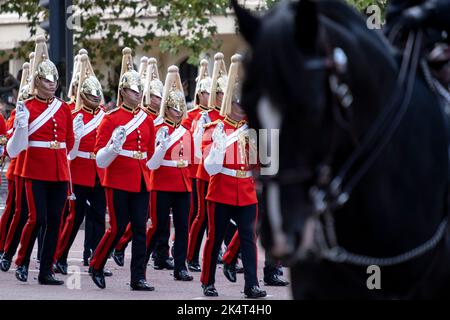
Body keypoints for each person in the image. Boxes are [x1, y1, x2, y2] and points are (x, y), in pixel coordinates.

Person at [7, 35, 74, 285]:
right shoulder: (27, 106)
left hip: (57, 170)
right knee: (36, 218)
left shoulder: (63, 107)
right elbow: (15, 149)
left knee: (55, 220)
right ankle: (22, 262)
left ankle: (46, 270)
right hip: (34, 169)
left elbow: (69, 141)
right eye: (47, 79)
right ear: (37, 82)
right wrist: (22, 127)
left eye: (54, 80)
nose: (52, 84)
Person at [200, 54, 266, 298]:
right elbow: (210, 168)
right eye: (238, 105)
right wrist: (217, 147)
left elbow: (261, 163)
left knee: (248, 239)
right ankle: (207, 281)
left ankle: (251, 284)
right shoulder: (213, 128)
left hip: (246, 190)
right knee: (215, 239)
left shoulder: (253, 129)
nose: (241, 110)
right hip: (221, 189)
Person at [89, 47, 155, 291]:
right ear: (123, 92)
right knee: (117, 228)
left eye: (140, 91)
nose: (138, 95)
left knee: (140, 229)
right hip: (117, 179)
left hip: (140, 179)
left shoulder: (147, 120)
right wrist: (113, 147)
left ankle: (138, 277)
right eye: (133, 90)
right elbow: (99, 157)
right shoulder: (111, 118)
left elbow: (147, 153)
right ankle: (96, 264)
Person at [111, 57, 174, 270]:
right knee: (142, 222)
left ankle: (156, 258)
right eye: (155, 95)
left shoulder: (162, 118)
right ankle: (118, 248)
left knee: (153, 222)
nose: (159, 99)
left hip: (152, 174)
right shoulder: (143, 117)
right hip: (139, 175)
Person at [53, 53, 108, 276]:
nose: (94, 97)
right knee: (74, 217)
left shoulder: (104, 115)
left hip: (99, 172)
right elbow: (68, 147)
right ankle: (61, 257)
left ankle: (95, 257)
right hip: (78, 170)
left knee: (98, 216)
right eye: (90, 94)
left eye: (97, 94)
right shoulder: (73, 113)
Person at [145, 65, 194, 282]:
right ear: (167, 109)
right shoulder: (158, 129)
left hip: (182, 183)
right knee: (157, 226)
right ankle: (143, 260)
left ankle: (180, 266)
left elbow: (192, 159)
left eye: (180, 108)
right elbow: (152, 161)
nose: (178, 111)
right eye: (174, 108)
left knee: (183, 227)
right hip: (162, 182)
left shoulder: (186, 131)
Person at [188, 53, 228, 272]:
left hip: (227, 174)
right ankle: (192, 256)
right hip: (205, 173)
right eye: (220, 93)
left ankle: (223, 255)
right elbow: (196, 148)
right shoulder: (205, 116)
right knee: (202, 216)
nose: (224, 96)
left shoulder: (231, 113)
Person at [182, 59, 212, 272]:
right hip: (195, 171)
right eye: (208, 93)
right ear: (200, 94)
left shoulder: (223, 115)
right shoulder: (190, 116)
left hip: (219, 172)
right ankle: (190, 256)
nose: (212, 97)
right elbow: (183, 147)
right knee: (197, 215)